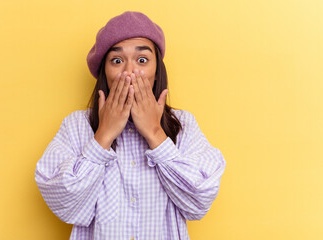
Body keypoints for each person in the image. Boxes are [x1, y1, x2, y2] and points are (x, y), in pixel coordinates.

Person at [35, 11, 226, 240]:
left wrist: (155, 133)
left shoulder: (182, 124)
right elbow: (64, 203)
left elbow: (200, 200)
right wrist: (103, 136)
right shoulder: (77, 125)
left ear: (157, 73)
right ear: (104, 73)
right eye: (117, 61)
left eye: (142, 60)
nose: (129, 72)